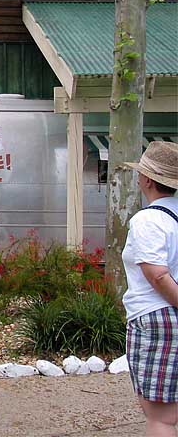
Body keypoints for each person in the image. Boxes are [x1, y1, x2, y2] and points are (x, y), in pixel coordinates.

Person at [122, 141, 178, 435]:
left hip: (158, 318)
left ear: (146, 179)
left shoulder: (148, 219)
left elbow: (157, 275)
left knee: (161, 416)